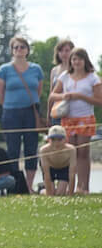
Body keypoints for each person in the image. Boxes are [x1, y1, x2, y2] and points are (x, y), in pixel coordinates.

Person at [0, 35, 45, 193]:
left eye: (22, 47)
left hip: (31, 112)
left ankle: (29, 186)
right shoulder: (5, 69)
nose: (19, 50)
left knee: (31, 149)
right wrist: (11, 105)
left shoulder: (36, 69)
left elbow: (39, 90)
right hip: (11, 113)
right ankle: (16, 185)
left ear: (27, 50)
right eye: (16, 47)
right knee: (13, 149)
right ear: (12, 50)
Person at [49, 47, 101, 194]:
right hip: (68, 118)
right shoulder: (65, 76)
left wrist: (80, 96)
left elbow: (99, 100)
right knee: (71, 152)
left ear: (85, 60)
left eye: (79, 59)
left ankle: (84, 186)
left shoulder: (93, 77)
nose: (76, 62)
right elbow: (53, 95)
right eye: (74, 59)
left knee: (83, 152)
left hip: (85, 118)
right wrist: (65, 96)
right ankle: (71, 187)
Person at [39, 125, 76, 196]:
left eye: (59, 139)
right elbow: (46, 173)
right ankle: (42, 190)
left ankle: (65, 190)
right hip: (50, 168)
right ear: (48, 140)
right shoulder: (44, 150)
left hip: (64, 168)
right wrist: (49, 195)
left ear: (65, 139)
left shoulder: (71, 149)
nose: (56, 143)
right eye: (53, 139)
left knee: (60, 193)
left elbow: (72, 173)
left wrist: (71, 194)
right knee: (51, 193)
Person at [49, 39, 75, 121]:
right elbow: (51, 93)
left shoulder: (78, 68)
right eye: (61, 50)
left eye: (67, 50)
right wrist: (48, 114)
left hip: (74, 111)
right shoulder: (54, 70)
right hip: (58, 110)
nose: (64, 53)